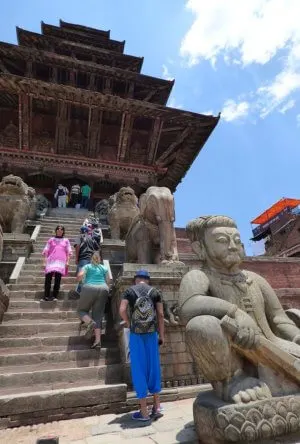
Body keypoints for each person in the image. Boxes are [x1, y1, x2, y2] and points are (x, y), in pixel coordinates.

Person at [119, 269, 165, 421]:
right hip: (152, 334)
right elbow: (161, 315)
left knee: (139, 370)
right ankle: (157, 407)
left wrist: (128, 323)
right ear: (148, 280)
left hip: (136, 334)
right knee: (153, 368)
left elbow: (122, 310)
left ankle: (144, 412)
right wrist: (162, 335)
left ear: (136, 280)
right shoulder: (155, 292)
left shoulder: (129, 291)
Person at [77, 251, 110, 349]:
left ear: (91, 258)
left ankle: (90, 323)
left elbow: (79, 276)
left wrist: (81, 280)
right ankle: (97, 341)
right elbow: (109, 280)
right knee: (98, 316)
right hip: (103, 289)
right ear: (99, 259)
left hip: (89, 288)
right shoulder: (104, 267)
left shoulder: (87, 266)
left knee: (81, 311)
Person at [42, 225, 72, 301]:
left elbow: (69, 251)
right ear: (56, 231)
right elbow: (46, 250)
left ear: (63, 231)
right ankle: (46, 296)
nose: (59, 231)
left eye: (61, 230)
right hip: (50, 261)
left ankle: (54, 296)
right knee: (48, 279)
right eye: (58, 229)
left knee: (57, 279)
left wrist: (68, 261)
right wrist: (44, 261)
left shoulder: (66, 240)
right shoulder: (51, 239)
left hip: (61, 262)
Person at [73, 226, 102, 295]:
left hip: (83, 258)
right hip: (91, 259)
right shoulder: (92, 238)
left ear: (81, 231)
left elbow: (77, 246)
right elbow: (97, 249)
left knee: (82, 274)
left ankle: (80, 291)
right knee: (89, 275)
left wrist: (76, 258)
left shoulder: (79, 236)